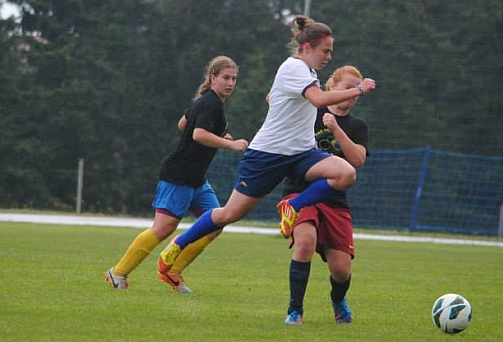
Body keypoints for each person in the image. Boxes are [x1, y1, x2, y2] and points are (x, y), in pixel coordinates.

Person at [156, 16, 376, 278]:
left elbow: (291, 99)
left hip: (301, 153)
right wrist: (358, 90)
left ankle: (292, 207)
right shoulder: (294, 67)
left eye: (330, 51)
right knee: (229, 214)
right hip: (267, 155)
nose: (329, 56)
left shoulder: (309, 73)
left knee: (346, 173)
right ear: (306, 47)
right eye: (325, 51)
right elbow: (317, 100)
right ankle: (178, 244)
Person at [104, 56, 248, 292]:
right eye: (225, 78)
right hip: (179, 176)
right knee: (162, 229)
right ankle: (117, 273)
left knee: (216, 223)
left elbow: (184, 124)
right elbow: (198, 134)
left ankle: (171, 271)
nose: (231, 83)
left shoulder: (208, 102)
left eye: (234, 78)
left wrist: (219, 138)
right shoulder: (210, 103)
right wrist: (229, 144)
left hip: (197, 179)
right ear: (213, 78)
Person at [282, 65, 369, 325]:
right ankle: (295, 311)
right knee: (305, 243)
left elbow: (357, 161)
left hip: (334, 199)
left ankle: (337, 300)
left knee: (341, 271)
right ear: (331, 87)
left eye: (357, 91)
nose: (352, 94)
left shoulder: (357, 125)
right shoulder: (311, 110)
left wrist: (336, 130)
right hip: (300, 190)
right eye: (348, 88)